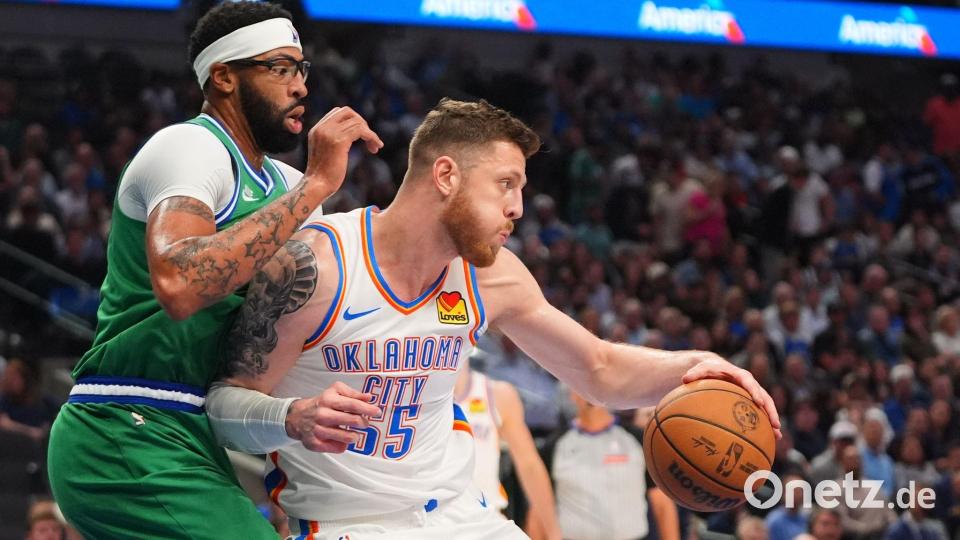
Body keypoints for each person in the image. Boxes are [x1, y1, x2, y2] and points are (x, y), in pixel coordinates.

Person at [206, 98, 780, 539]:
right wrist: (291, 416)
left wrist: (701, 364)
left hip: (462, 516)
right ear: (447, 175)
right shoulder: (317, 264)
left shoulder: (492, 276)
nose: (518, 207)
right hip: (349, 522)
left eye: (522, 189)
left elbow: (599, 370)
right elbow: (225, 408)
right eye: (506, 184)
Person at [46, 2, 383, 538]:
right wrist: (316, 184)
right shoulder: (190, 147)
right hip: (124, 424)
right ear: (223, 77)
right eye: (279, 68)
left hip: (198, 430)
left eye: (303, 70)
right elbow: (181, 284)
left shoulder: (290, 186)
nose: (299, 86)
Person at [533, 389, 680, 540]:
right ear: (572, 395)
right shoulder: (553, 445)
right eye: (582, 387)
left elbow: (662, 503)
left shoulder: (638, 438)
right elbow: (539, 506)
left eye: (593, 387)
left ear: (609, 393)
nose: (589, 394)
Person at [454, 360, 561, 539]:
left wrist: (553, 533)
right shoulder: (411, 396)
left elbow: (529, 466)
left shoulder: (497, 394)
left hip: (485, 523)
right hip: (431, 523)